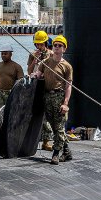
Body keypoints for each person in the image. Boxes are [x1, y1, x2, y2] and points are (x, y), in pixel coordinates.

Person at [34, 34, 73, 165]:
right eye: (55, 45)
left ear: (64, 49)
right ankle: (66, 151)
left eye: (60, 46)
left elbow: (68, 86)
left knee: (59, 127)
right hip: (47, 97)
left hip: (59, 97)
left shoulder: (67, 66)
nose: (56, 47)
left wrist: (65, 103)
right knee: (55, 127)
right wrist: (33, 75)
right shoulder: (46, 62)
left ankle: (56, 154)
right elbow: (38, 75)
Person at [28, 30, 54, 151]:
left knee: (46, 114)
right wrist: (35, 60)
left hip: (46, 85)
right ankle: (31, 139)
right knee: (33, 112)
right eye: (37, 44)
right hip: (35, 85)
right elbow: (29, 71)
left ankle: (46, 141)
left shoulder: (51, 54)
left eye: (41, 44)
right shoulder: (32, 54)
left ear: (45, 43)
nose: (39, 46)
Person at [0, 45, 25, 114]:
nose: (3, 55)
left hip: (11, 94)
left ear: (11, 54)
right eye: (2, 54)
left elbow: (21, 83)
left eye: (5, 53)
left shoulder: (17, 67)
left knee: (11, 114)